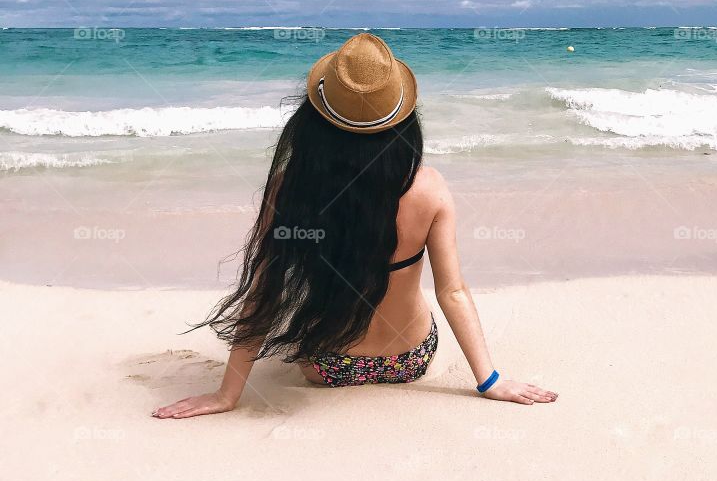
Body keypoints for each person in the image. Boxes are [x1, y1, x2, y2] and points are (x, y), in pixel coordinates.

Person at [154, 32, 557, 418]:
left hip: (327, 366)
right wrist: (489, 381)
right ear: (403, 119)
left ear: (314, 120)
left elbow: (264, 290)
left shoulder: (290, 189)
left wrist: (228, 394)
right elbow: (452, 292)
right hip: (411, 359)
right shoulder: (429, 188)